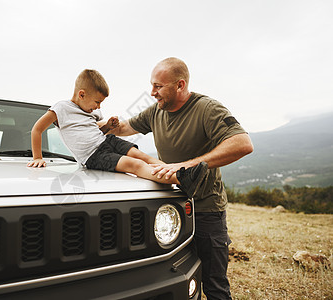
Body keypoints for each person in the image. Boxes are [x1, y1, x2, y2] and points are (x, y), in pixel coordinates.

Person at [106, 58, 254, 299]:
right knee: (175, 278)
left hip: (206, 210)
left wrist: (184, 165)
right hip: (171, 207)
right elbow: (124, 128)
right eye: (151, 86)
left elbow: (243, 144)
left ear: (180, 85)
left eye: (158, 86)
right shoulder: (156, 111)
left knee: (214, 284)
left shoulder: (207, 108)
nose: (152, 93)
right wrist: (99, 123)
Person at [27, 69, 208, 198]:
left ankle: (181, 173)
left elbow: (93, 131)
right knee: (134, 164)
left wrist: (107, 127)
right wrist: (37, 157)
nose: (98, 107)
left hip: (107, 140)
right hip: (93, 155)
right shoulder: (61, 109)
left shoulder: (92, 112)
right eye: (97, 102)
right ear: (81, 94)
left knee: (140, 155)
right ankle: (179, 180)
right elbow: (37, 129)